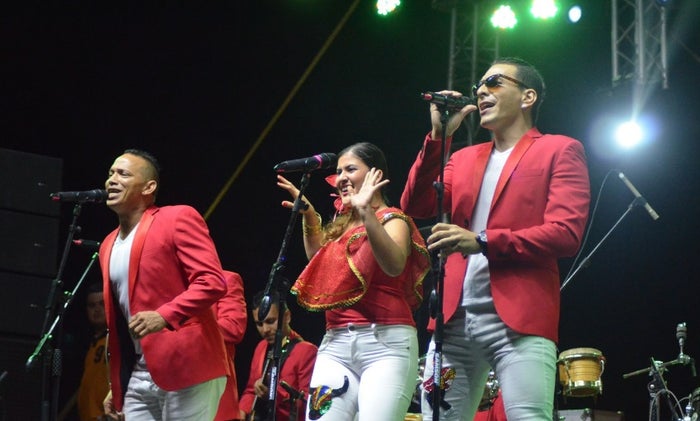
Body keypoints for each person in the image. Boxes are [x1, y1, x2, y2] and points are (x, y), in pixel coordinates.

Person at [400, 57, 591, 420]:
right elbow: (415, 204)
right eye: (478, 87)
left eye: (494, 82)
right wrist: (439, 137)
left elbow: (566, 233)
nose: (481, 91)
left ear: (528, 97)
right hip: (453, 319)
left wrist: (483, 241)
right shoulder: (462, 158)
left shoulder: (560, 149)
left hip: (521, 318)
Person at [277, 141, 431, 421]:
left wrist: (367, 212)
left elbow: (394, 265)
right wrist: (309, 214)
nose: (341, 178)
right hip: (335, 345)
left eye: (350, 169)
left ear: (375, 174)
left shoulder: (393, 219)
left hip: (386, 344)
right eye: (338, 172)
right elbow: (320, 264)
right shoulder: (343, 225)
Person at [99, 148, 231, 420]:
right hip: (139, 371)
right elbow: (120, 322)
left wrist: (164, 315)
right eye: (111, 173)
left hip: (188, 364)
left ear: (149, 187)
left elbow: (212, 281)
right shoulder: (108, 244)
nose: (112, 179)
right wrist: (118, 381)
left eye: (123, 174)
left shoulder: (176, 218)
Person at [238, 290, 318, 421]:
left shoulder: (307, 351)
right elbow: (250, 391)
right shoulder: (261, 347)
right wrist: (242, 410)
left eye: (270, 321)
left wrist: (273, 395)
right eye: (259, 324)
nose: (265, 330)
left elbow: (308, 405)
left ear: (287, 316)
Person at [214, 270, 249, 421]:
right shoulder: (170, 282)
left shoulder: (226, 279)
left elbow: (233, 327)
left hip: (217, 396)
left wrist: (184, 330)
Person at [77, 282, 110, 421]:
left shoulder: (116, 341)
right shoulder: (89, 343)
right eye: (92, 305)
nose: (97, 309)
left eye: (102, 304)